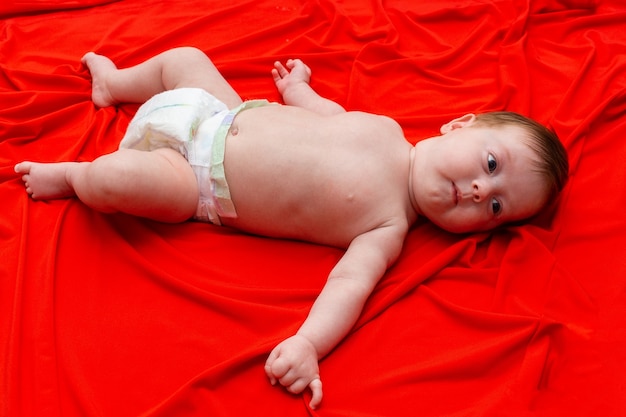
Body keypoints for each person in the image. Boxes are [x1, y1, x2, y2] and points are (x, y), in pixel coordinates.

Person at [14, 47, 568, 409]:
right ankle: (113, 84)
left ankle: (73, 175)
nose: (478, 191)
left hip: (201, 183)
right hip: (223, 113)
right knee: (184, 59)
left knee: (117, 179)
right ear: (459, 123)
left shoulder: (387, 225)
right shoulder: (385, 128)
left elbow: (348, 287)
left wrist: (308, 344)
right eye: (490, 166)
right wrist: (297, 87)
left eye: (496, 208)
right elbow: (327, 115)